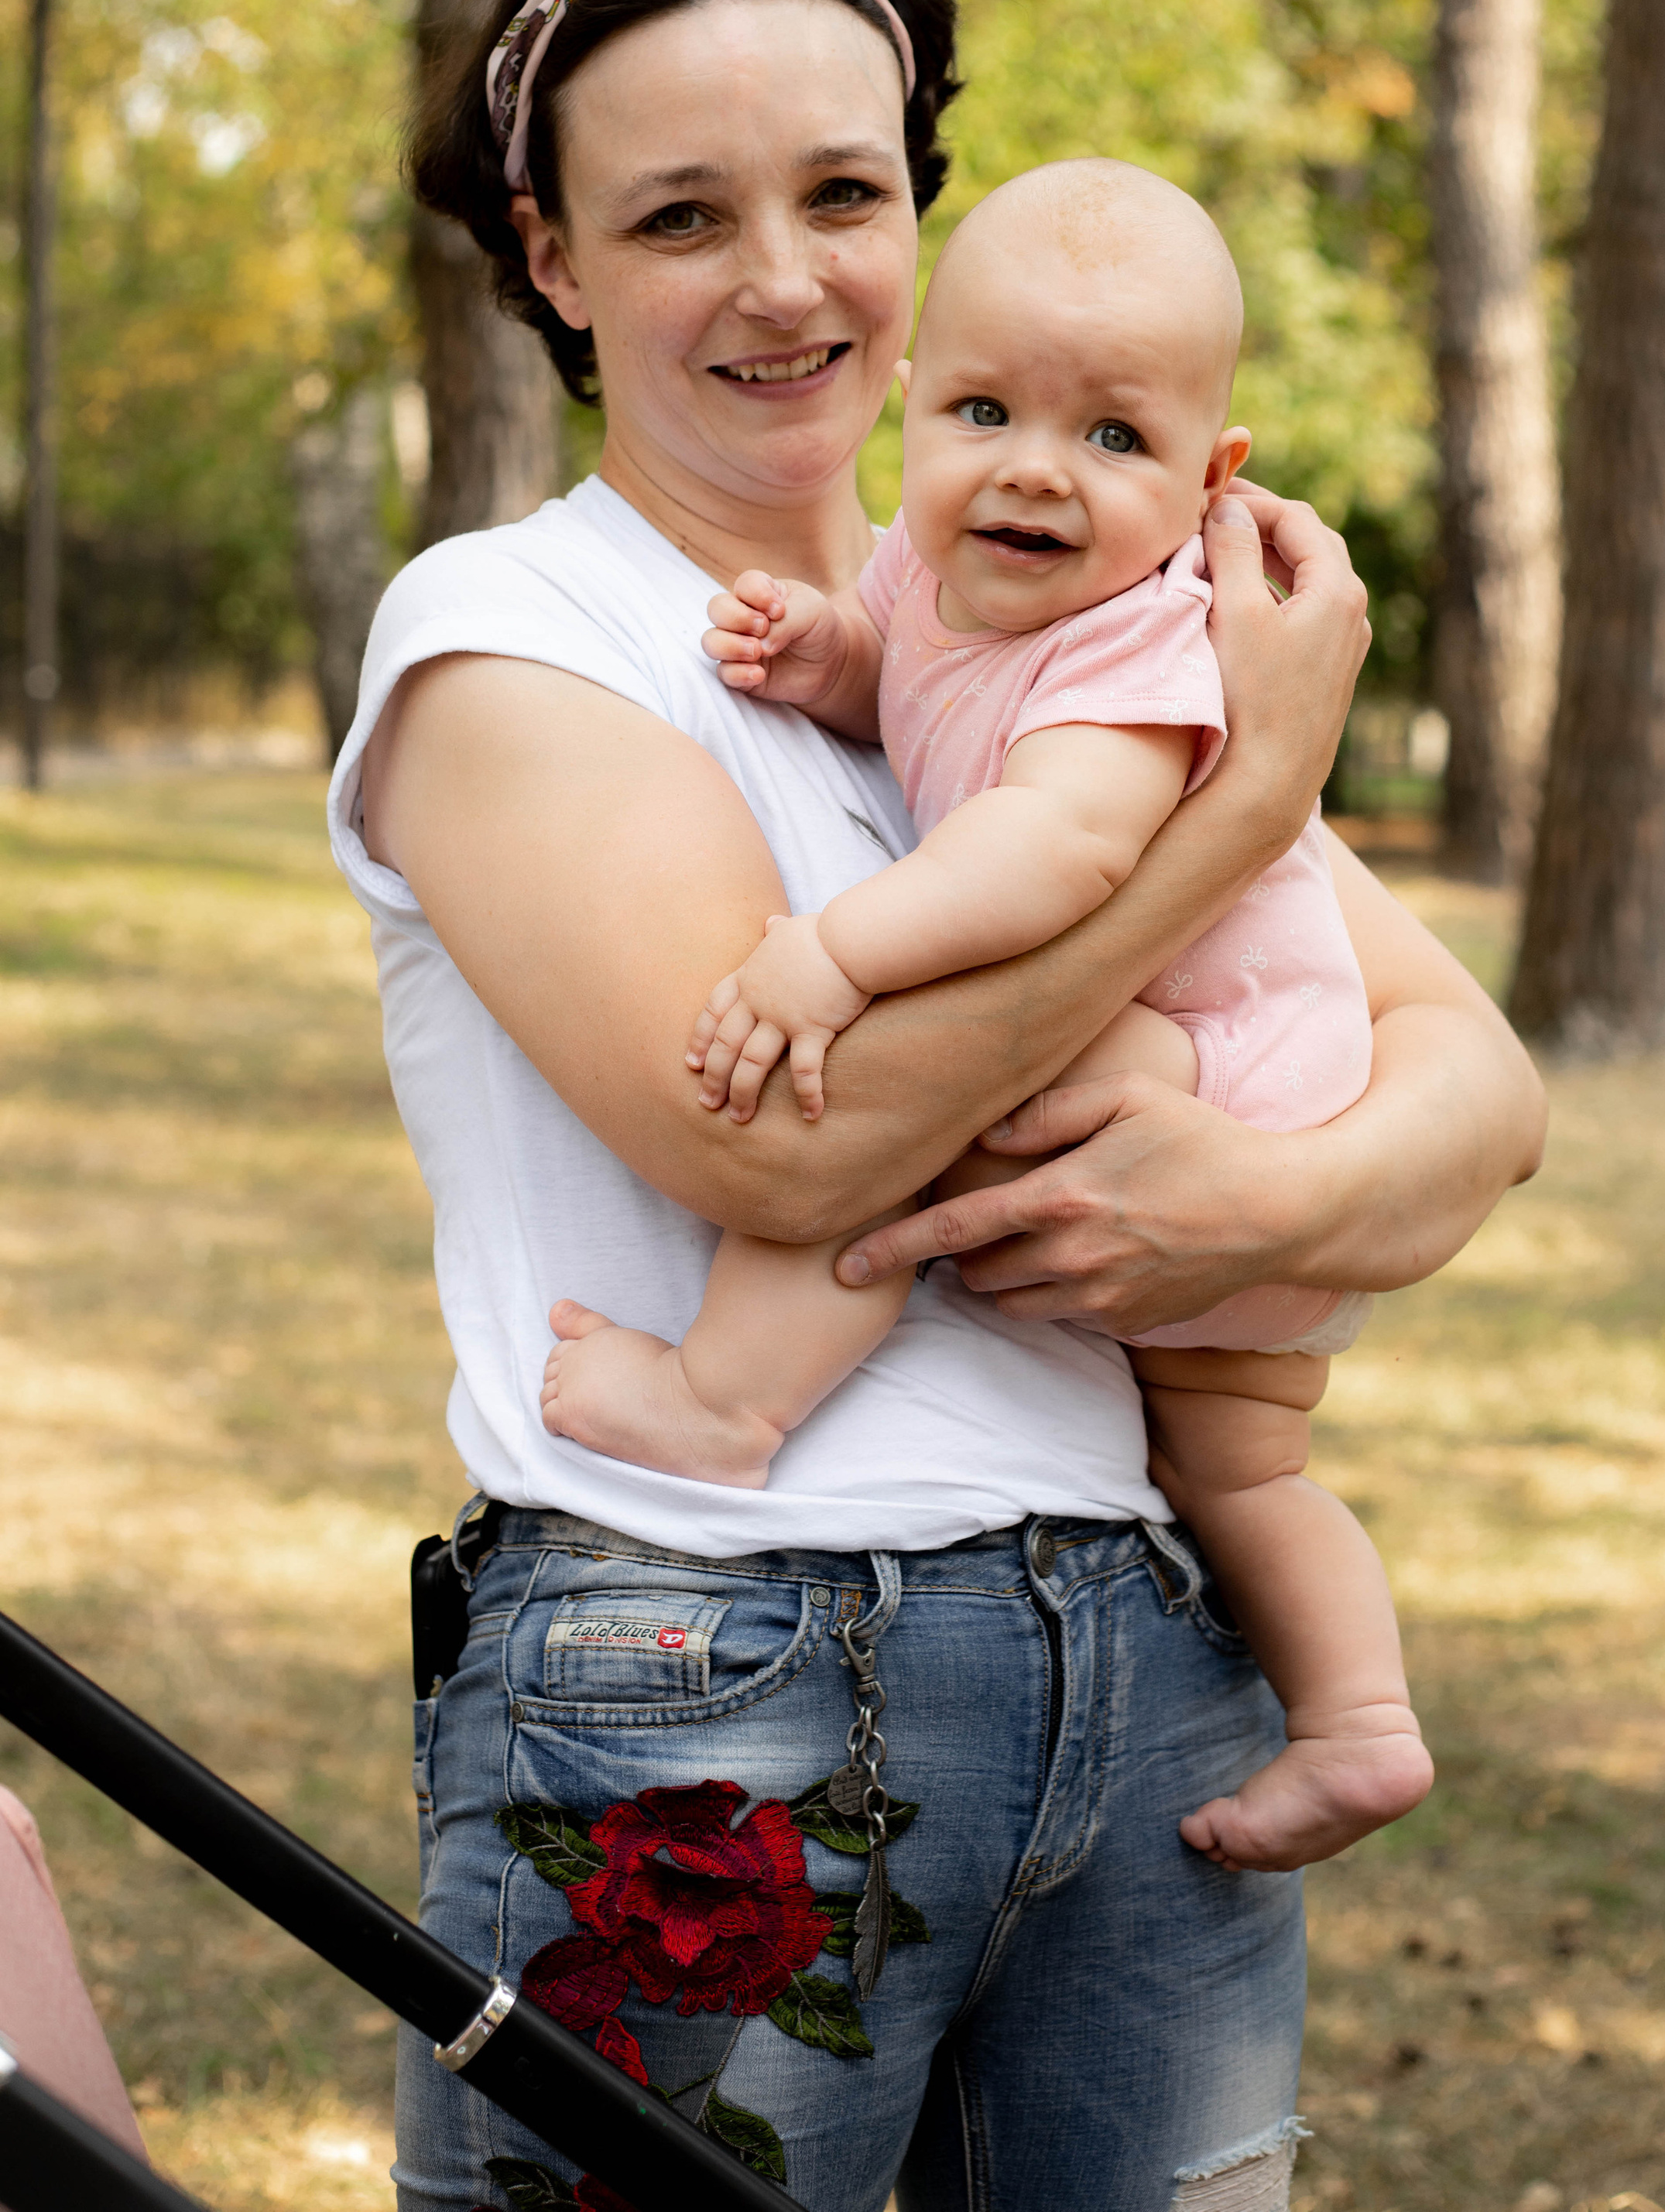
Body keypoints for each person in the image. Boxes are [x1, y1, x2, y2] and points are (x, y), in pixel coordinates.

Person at [337, 0, 1547, 2212]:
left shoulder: (1038, 621)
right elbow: (792, 1157)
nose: (784, 280)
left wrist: (1262, 1202)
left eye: (843, 195)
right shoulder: (507, 638)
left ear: (923, 219)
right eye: (681, 214)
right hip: (717, 1676)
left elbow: (1484, 1099)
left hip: (1150, 1656)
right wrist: (1248, 807)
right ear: (554, 262)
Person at [539, 155, 1432, 1882]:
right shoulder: (930, 584)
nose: (1032, 467)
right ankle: (1358, 1719)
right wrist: (831, 661)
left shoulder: (1137, 652)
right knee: (1241, 1468)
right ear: (909, 409)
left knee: (908, 1108)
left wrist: (837, 955)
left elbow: (1047, 848)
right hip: (1235, 1093)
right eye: (981, 409)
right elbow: (923, 686)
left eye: (1112, 439)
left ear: (1206, 484)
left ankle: (724, 1400)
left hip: (1215, 1064)